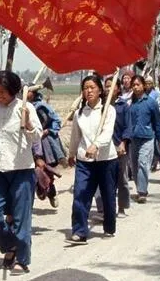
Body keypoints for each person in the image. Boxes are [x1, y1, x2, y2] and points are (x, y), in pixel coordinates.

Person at [0, 70, 44, 275]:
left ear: (13, 90)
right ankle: (10, 245)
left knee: (21, 218)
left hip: (21, 171)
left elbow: (37, 137)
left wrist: (28, 122)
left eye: (3, 92)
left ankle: (22, 259)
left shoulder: (26, 108)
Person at [67, 75, 119, 245]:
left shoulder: (109, 110)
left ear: (100, 90)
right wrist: (72, 153)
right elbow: (76, 136)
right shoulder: (79, 113)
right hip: (84, 161)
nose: (88, 91)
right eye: (85, 88)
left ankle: (109, 226)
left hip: (106, 159)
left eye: (92, 87)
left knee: (108, 196)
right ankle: (79, 231)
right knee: (80, 194)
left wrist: (96, 145)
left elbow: (107, 133)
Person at [95, 77, 132, 218]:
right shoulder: (100, 106)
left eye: (111, 86)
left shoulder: (123, 106)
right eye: (106, 86)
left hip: (119, 146)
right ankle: (103, 209)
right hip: (103, 146)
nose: (108, 89)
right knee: (102, 179)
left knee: (122, 179)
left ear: (118, 88)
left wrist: (123, 142)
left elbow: (128, 127)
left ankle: (122, 207)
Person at [127, 75, 160, 203]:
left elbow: (158, 122)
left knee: (143, 163)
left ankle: (142, 192)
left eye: (138, 84)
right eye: (133, 85)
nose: (135, 87)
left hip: (147, 139)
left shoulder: (151, 103)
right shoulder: (130, 103)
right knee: (134, 166)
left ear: (143, 86)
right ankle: (140, 187)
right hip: (133, 139)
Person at [28, 86, 65, 208]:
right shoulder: (20, 106)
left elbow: (56, 120)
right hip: (28, 143)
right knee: (32, 171)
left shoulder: (42, 106)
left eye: (28, 91)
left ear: (34, 93)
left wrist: (48, 131)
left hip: (45, 142)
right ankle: (40, 190)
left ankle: (51, 192)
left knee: (46, 169)